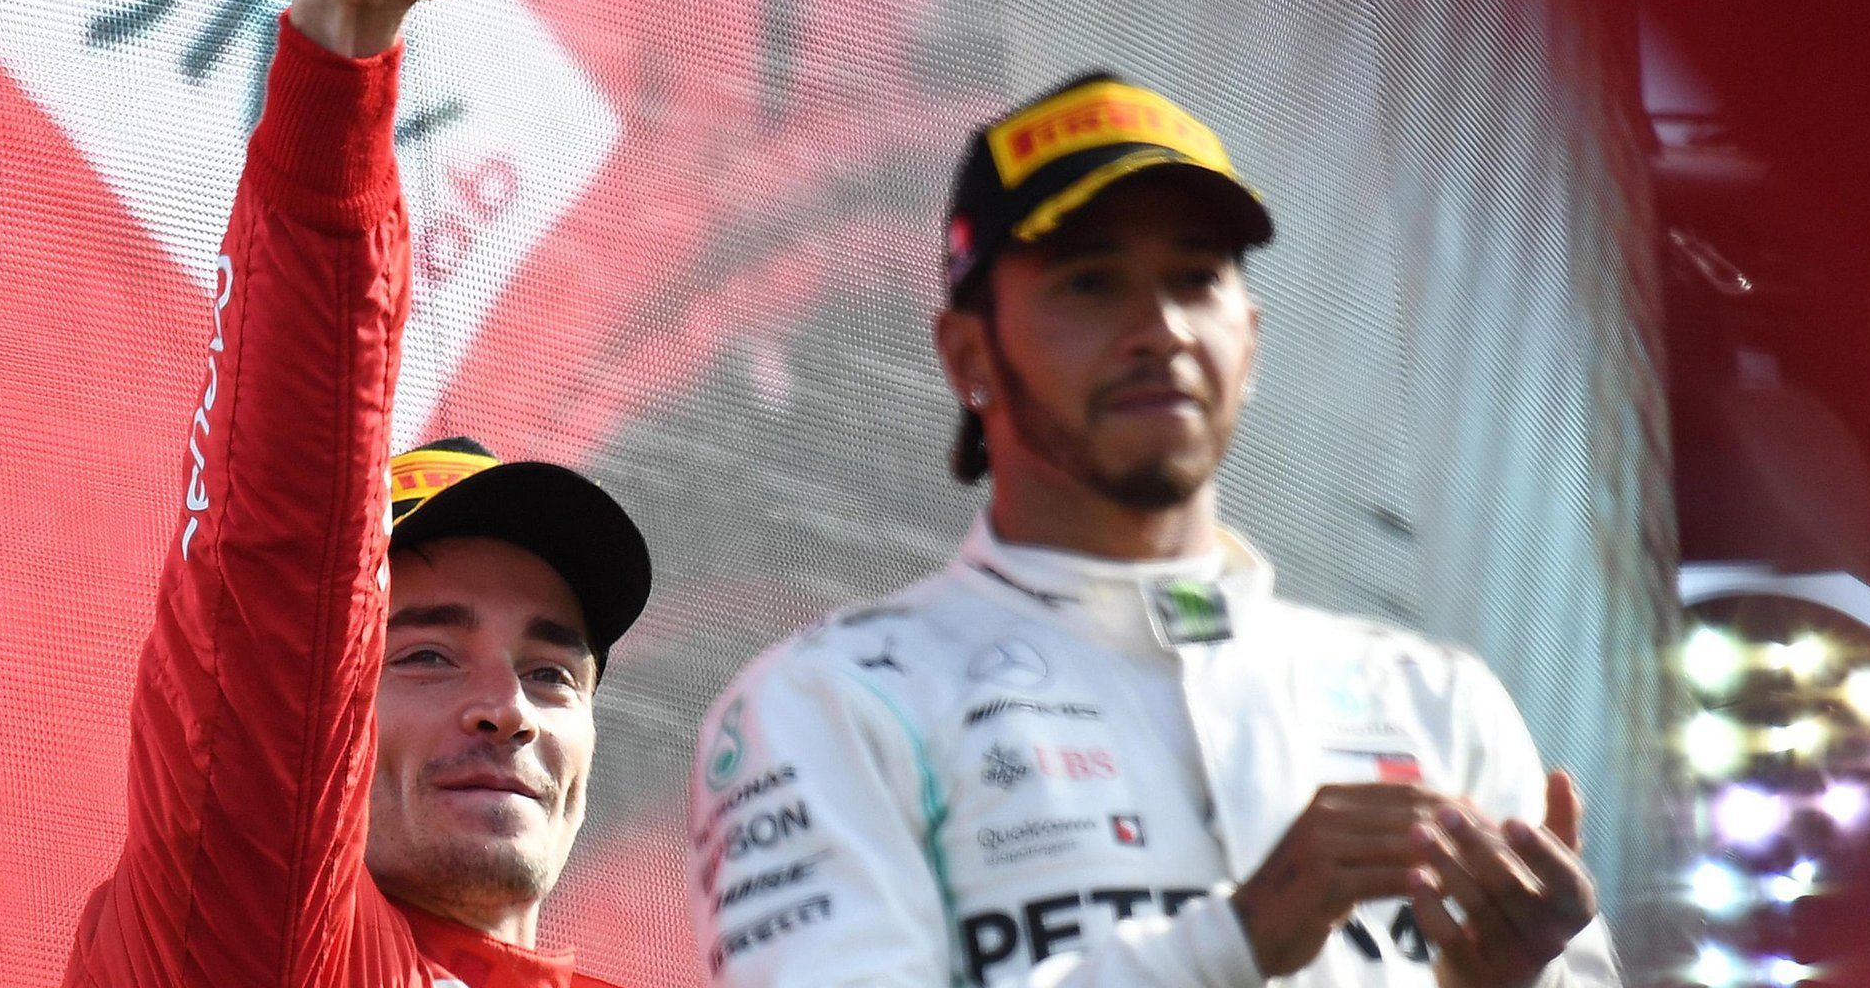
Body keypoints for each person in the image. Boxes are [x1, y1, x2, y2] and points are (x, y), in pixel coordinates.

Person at [687, 74, 1622, 987]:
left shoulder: (1432, 700)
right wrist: (1238, 938)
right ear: (968, 353)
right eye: (1091, 282)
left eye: (1194, 278)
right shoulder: (831, 702)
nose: (1160, 328)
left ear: (1249, 339)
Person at [61, 0, 651, 985]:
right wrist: (341, 48)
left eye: (551, 673)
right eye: (425, 656)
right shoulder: (261, 945)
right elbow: (277, 589)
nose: (506, 714)